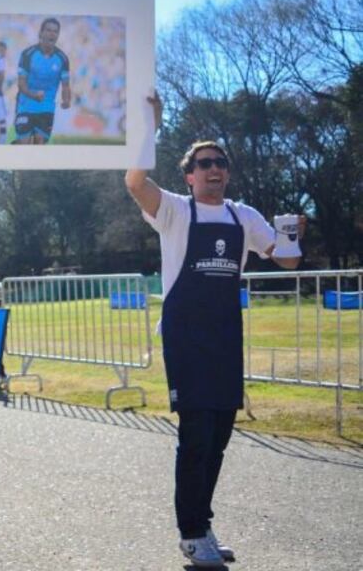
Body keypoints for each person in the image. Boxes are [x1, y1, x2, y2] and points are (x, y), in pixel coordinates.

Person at [125, 94, 303, 568]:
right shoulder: (175, 211)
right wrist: (151, 127)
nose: (213, 169)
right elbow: (134, 181)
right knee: (197, 433)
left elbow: (285, 259)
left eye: (220, 162)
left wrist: (291, 234)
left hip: (225, 336)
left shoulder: (243, 216)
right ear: (189, 175)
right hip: (185, 336)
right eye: (204, 163)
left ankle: (203, 525)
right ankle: (189, 534)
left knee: (220, 433)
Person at [13, 18, 71, 144]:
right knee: (23, 146)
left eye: (55, 31)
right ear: (41, 33)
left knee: (39, 147)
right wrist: (33, 95)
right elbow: (21, 84)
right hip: (25, 106)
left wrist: (66, 100)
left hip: (47, 108)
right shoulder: (28, 54)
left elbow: (65, 85)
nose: (52, 34)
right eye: (48, 30)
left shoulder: (63, 58)